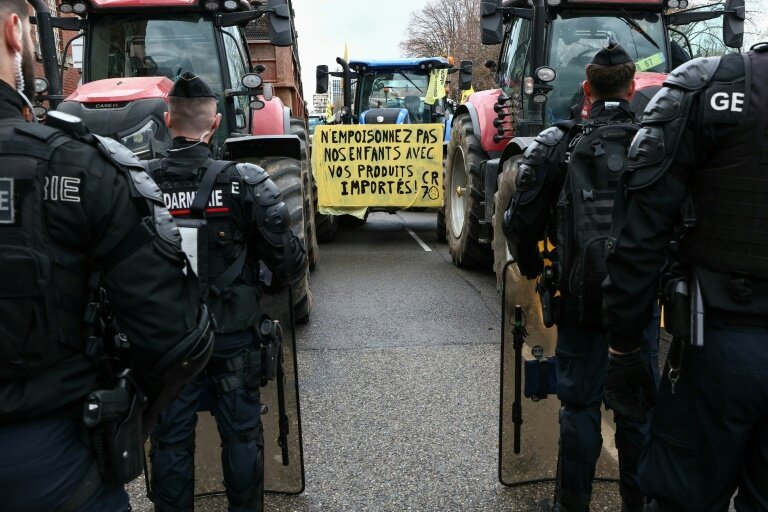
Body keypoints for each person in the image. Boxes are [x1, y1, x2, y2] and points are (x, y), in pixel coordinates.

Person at [0, 2, 213, 511]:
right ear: (15, 30)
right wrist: (125, 413)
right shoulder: (83, 166)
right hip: (51, 454)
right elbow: (171, 333)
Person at [602, 44, 768, 511]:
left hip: (718, 342)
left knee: (684, 497)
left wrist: (624, 347)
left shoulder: (709, 85)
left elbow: (640, 236)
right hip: (717, 331)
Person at [503, 43, 660, 512]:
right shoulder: (656, 140)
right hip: (638, 303)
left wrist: (532, 265)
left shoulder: (557, 141)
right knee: (637, 412)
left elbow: (519, 220)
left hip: (578, 296)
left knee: (579, 407)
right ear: (633, 87)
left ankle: (571, 503)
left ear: (587, 88)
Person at [146, 73, 307, 512]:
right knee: (241, 436)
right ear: (215, 124)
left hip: (169, 343)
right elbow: (290, 264)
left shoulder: (139, 186)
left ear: (166, 119)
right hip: (232, 337)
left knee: (170, 442)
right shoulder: (245, 183)